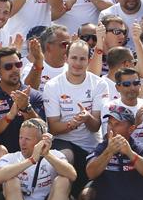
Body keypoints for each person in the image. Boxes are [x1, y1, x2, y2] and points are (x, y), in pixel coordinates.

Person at [44, 39, 106, 189]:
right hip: (63, 142)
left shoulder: (99, 84)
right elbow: (53, 128)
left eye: (82, 59)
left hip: (90, 146)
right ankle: (58, 198)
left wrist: (86, 118)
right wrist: (73, 123)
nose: (77, 63)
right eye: (74, 58)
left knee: (88, 192)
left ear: (89, 60)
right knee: (66, 156)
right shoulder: (52, 86)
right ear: (66, 59)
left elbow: (95, 126)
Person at [0, 46, 48, 174]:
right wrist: (10, 115)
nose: (15, 69)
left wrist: (27, 108)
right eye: (8, 67)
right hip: (0, 154)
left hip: (30, 153)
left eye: (18, 65)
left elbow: (42, 131)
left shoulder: (34, 95)